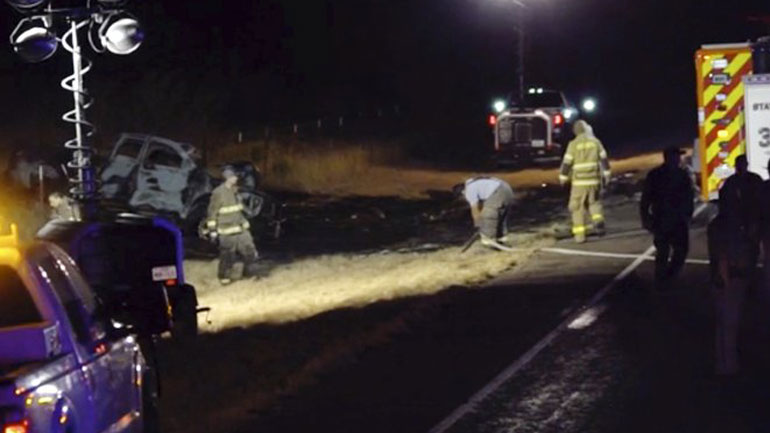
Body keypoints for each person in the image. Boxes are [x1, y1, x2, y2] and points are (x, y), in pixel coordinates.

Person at [640, 146, 695, 283]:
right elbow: (646, 198)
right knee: (669, 251)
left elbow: (688, 197)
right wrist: (645, 217)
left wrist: (646, 217)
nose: (679, 159)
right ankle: (665, 278)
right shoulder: (678, 175)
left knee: (672, 251)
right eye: (677, 156)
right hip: (667, 219)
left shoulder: (659, 174)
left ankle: (665, 278)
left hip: (670, 219)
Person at [202, 167, 259, 285]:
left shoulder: (235, 191)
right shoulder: (218, 193)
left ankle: (249, 274)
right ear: (227, 178)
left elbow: (239, 209)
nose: (236, 178)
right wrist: (212, 230)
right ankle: (224, 277)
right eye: (234, 176)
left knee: (249, 251)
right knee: (227, 255)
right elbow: (212, 213)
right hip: (226, 231)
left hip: (240, 228)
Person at [558, 119, 611, 243]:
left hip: (579, 183)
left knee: (577, 208)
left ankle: (580, 236)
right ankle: (598, 222)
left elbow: (567, 163)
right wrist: (607, 175)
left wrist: (562, 178)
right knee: (594, 203)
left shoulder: (573, 144)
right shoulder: (595, 142)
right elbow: (604, 160)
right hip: (594, 180)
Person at [453, 176, 515, 247]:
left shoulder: (469, 190)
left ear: (462, 192)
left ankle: (489, 240)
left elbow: (475, 210)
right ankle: (501, 238)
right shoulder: (474, 183)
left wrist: (478, 224)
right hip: (507, 189)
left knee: (488, 214)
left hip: (497, 191)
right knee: (499, 215)